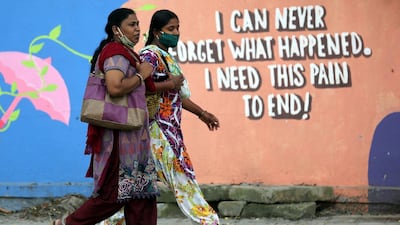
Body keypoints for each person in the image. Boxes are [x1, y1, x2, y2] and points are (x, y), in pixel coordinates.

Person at [51, 8, 159, 225]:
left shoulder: (127, 53)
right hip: (120, 138)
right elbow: (115, 87)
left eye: (138, 24)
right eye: (131, 25)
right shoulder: (116, 53)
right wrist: (141, 75)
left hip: (135, 137)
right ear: (116, 29)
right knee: (113, 194)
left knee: (140, 197)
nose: (137, 29)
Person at [141, 9, 220, 225]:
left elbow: (175, 96)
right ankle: (210, 222)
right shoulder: (150, 55)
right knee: (185, 182)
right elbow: (140, 86)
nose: (176, 33)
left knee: (135, 192)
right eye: (170, 29)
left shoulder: (165, 56)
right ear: (157, 32)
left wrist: (202, 114)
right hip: (160, 132)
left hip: (165, 131)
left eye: (177, 28)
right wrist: (170, 83)